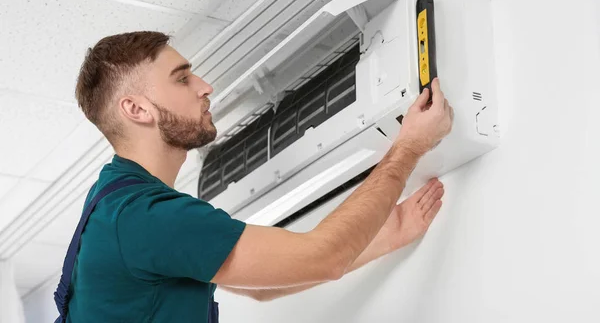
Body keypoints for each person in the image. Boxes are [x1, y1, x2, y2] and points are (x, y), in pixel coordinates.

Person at [64, 31, 453, 322]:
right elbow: (326, 257)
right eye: (182, 79)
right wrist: (409, 148)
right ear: (136, 109)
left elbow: (261, 288)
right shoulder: (143, 217)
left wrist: (385, 236)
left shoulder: (114, 208)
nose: (205, 87)